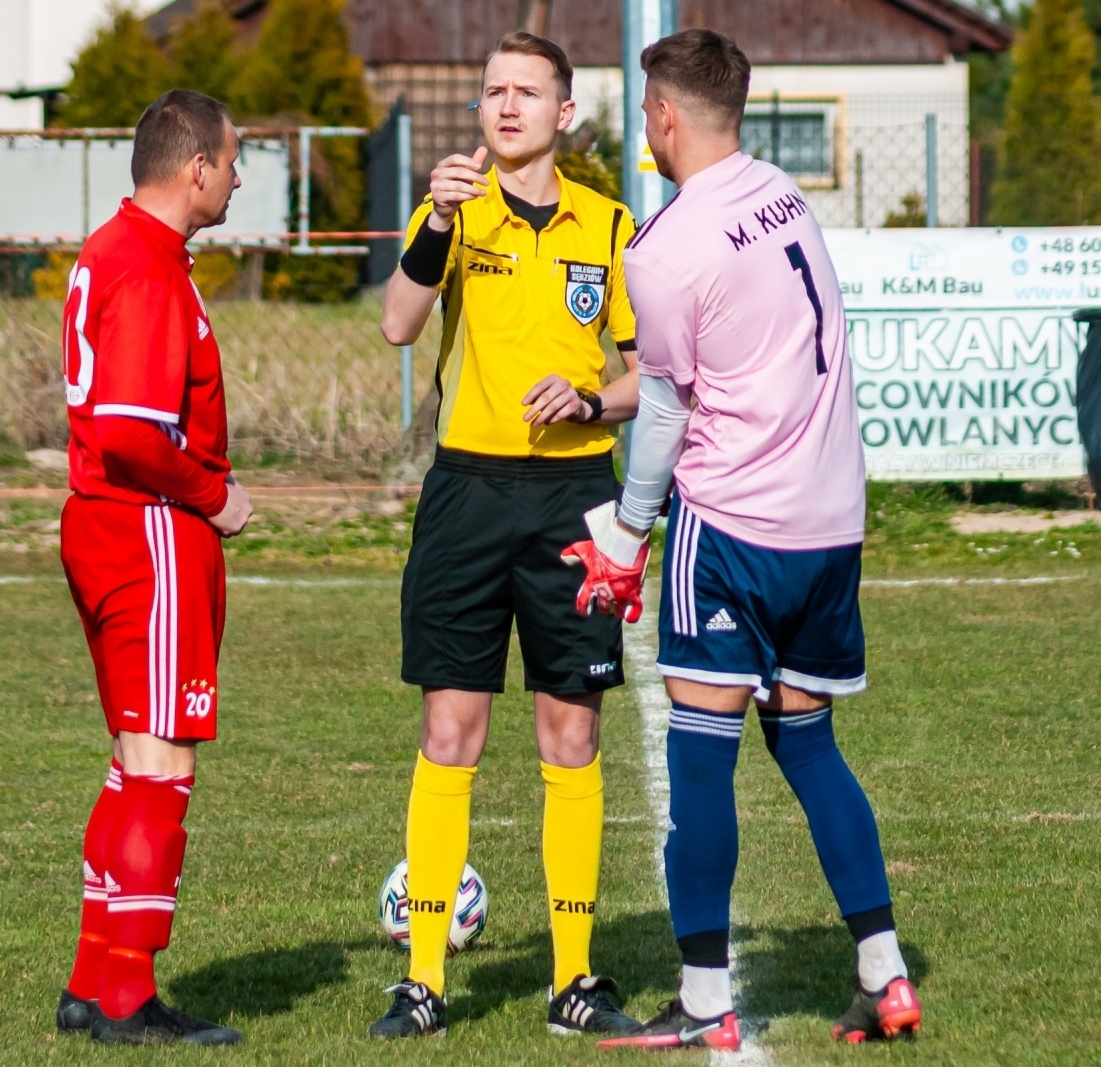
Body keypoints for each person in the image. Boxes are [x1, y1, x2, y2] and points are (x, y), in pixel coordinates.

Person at [565, 30, 921, 1052]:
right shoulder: (782, 192)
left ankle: (704, 996)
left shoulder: (664, 247)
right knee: (807, 740)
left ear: (665, 119)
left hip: (732, 524)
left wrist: (629, 532)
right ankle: (884, 973)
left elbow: (668, 415)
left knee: (701, 755)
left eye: (645, 112)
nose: (645, 127)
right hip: (830, 519)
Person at [372, 30, 644, 1041]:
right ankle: (425, 979)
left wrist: (589, 396)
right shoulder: (449, 209)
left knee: (570, 731)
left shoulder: (610, 227)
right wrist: (438, 220)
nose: (507, 105)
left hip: (577, 499)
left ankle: (573, 977)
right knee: (452, 729)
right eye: (494, 90)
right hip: (468, 497)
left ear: (565, 112)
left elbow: (644, 376)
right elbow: (400, 322)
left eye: (527, 91)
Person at [54, 88, 253, 1047]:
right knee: (161, 765)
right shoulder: (143, 266)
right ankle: (129, 995)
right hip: (149, 530)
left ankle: (93, 979)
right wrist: (216, 496)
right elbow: (134, 431)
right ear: (197, 169)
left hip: (108, 528)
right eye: (234, 158)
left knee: (135, 760)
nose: (240, 175)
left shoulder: (120, 248)